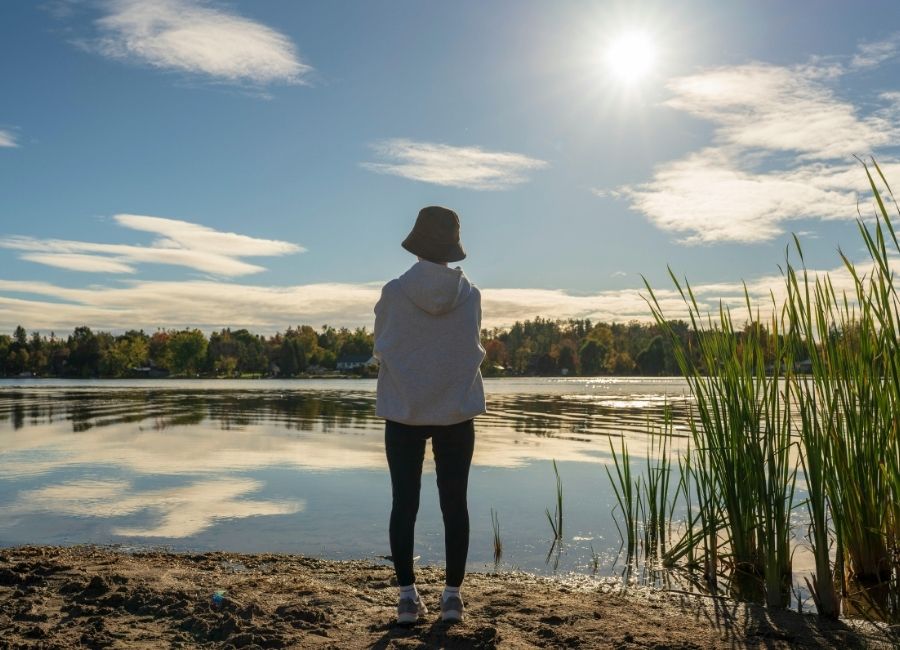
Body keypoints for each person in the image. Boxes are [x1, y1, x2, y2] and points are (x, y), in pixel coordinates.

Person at [373, 205, 486, 624]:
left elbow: (382, 346)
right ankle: (452, 598)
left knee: (404, 503)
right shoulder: (471, 295)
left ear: (416, 244)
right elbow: (468, 347)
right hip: (456, 409)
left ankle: (406, 598)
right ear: (452, 248)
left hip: (404, 409)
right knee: (455, 503)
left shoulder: (393, 291)